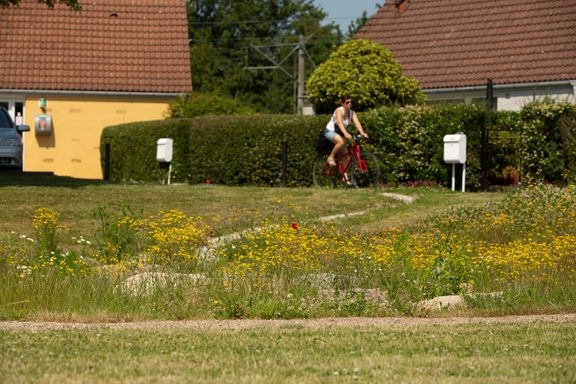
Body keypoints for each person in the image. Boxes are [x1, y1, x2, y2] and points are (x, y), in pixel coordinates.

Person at [323, 96, 368, 168]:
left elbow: (357, 123)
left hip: (339, 133)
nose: (349, 104)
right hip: (329, 131)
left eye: (350, 102)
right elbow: (340, 123)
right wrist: (346, 134)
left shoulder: (352, 113)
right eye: (347, 102)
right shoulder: (339, 111)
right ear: (342, 103)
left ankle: (345, 178)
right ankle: (331, 157)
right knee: (341, 141)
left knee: (346, 156)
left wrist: (362, 133)